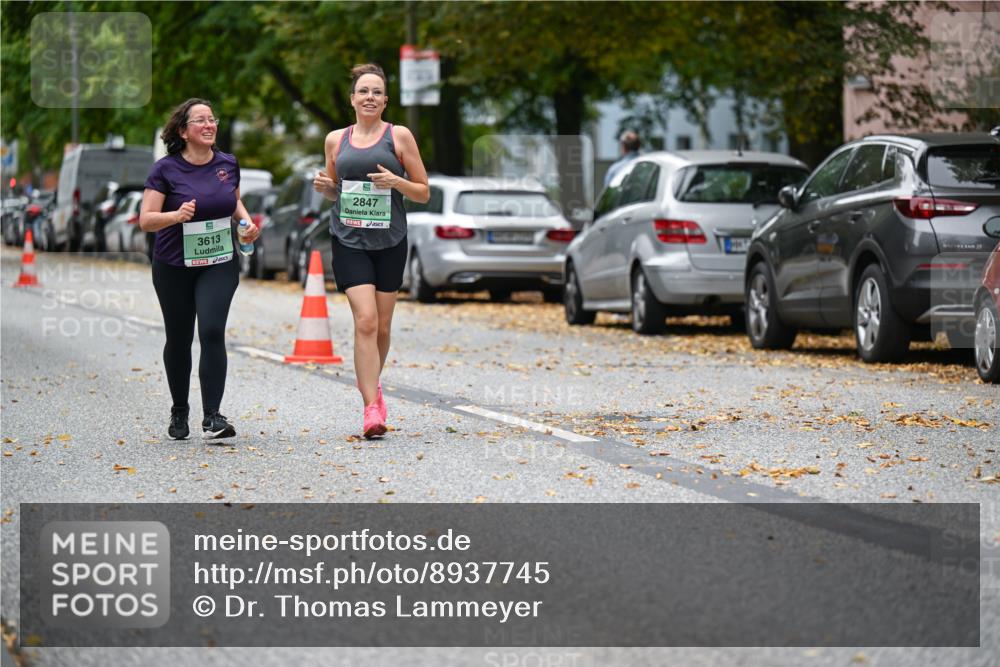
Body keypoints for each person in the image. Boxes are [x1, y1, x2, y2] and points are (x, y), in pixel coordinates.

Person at [313, 64, 429, 438]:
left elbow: (423, 191)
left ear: (385, 101)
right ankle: (370, 408)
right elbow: (335, 189)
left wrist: (397, 181)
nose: (370, 97)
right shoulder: (336, 140)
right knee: (365, 320)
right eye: (363, 91)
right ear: (352, 99)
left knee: (382, 326)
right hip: (348, 240)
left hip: (390, 241)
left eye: (377, 92)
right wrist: (325, 188)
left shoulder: (399, 136)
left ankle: (372, 383)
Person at [139, 98, 259, 441]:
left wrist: (247, 223)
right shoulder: (165, 170)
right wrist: (175, 216)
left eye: (212, 119)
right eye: (201, 120)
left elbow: (233, 200)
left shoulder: (227, 163)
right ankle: (180, 409)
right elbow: (146, 220)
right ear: (183, 131)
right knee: (179, 338)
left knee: (211, 330)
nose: (209, 125)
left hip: (219, 261)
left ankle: (212, 416)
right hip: (174, 265)